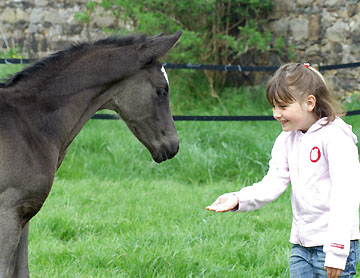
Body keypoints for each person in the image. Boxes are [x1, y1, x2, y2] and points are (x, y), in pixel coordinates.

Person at [206, 63, 360, 278]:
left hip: (334, 247)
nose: (276, 114)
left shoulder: (335, 138)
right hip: (301, 246)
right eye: (273, 107)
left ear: (309, 103)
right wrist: (238, 198)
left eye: (283, 107)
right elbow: (273, 182)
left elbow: (346, 196)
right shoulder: (287, 139)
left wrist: (336, 250)